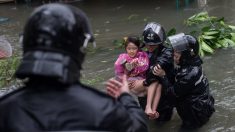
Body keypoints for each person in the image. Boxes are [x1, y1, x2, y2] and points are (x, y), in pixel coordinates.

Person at [0, 4, 148, 132]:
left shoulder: (6, 109)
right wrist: (125, 97)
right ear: (80, 49)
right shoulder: (103, 108)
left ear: (26, 45)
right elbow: (138, 127)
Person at [153, 33, 215, 129]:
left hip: (195, 115)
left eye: (178, 52)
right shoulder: (194, 62)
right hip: (202, 106)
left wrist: (163, 76)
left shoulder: (189, 74)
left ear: (186, 54)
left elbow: (172, 95)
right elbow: (178, 75)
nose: (175, 54)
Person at [130, 22, 175, 121]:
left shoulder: (167, 53)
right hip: (145, 95)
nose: (150, 47)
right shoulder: (143, 53)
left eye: (153, 45)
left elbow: (155, 69)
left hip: (163, 98)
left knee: (162, 123)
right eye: (148, 44)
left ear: (160, 43)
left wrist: (144, 83)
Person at [114, 36, 160, 118]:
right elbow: (118, 75)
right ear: (125, 48)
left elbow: (145, 67)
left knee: (158, 86)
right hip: (131, 82)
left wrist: (137, 64)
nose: (131, 51)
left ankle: (153, 112)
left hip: (142, 81)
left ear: (138, 48)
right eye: (129, 48)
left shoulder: (142, 56)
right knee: (153, 81)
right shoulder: (122, 59)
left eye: (134, 48)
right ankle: (148, 107)